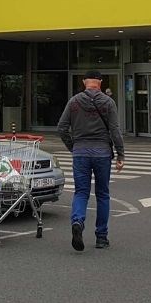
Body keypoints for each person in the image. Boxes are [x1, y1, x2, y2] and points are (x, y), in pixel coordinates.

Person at [57, 71, 125, 252]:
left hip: (80, 152)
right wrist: (120, 154)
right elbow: (115, 130)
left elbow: (62, 128)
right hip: (102, 152)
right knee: (102, 194)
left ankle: (78, 221)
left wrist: (73, 147)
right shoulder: (108, 102)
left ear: (84, 82)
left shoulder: (74, 102)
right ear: (100, 83)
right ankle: (101, 237)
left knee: (81, 192)